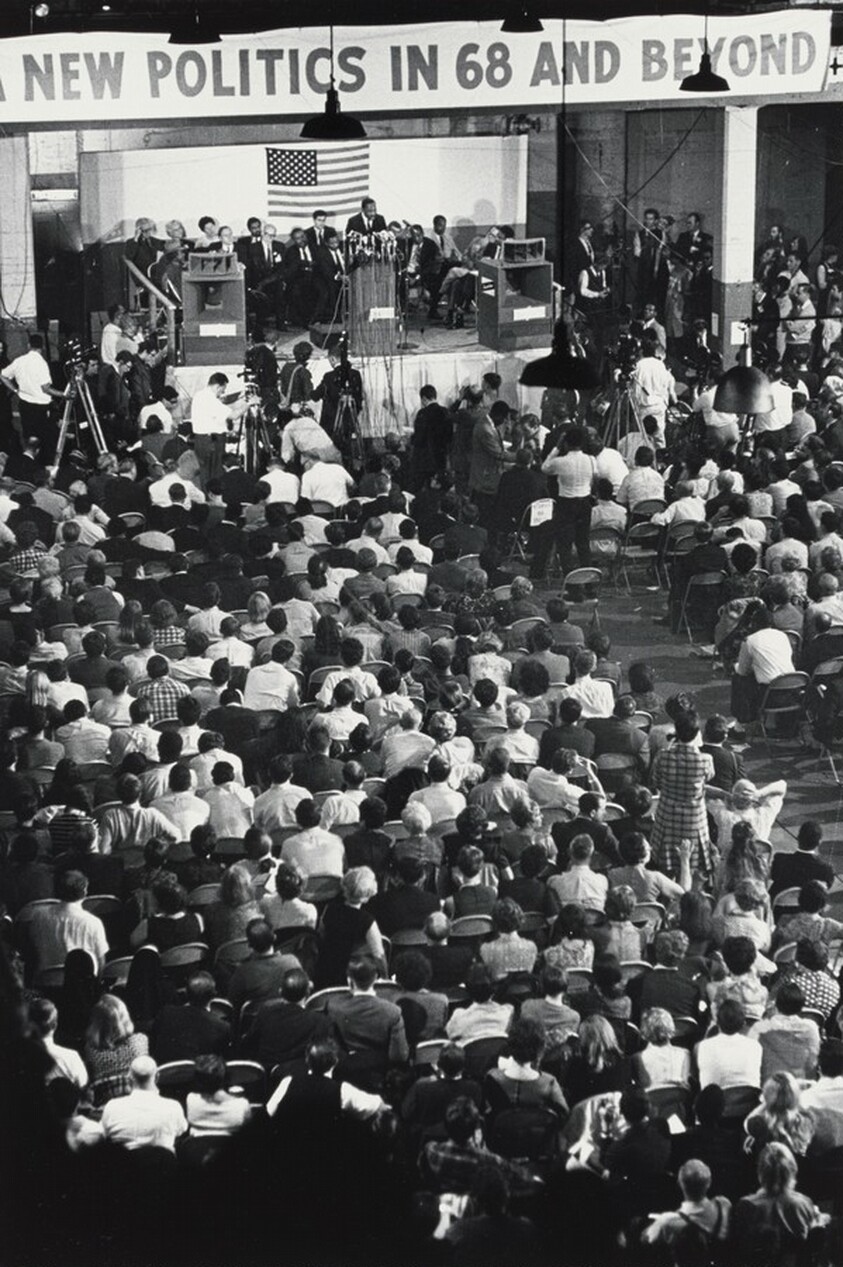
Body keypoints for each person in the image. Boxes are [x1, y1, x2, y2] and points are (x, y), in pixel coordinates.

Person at [100, 1055, 188, 1153]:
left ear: (129, 1077)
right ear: (157, 1077)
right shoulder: (173, 1107)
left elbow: (103, 1134)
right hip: (161, 1162)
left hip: (124, 1162)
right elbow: (181, 1130)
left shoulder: (112, 1107)